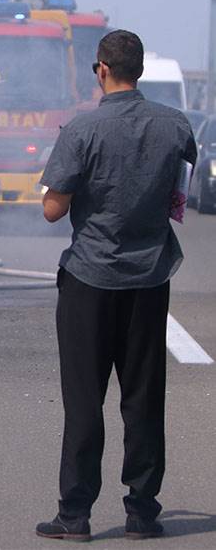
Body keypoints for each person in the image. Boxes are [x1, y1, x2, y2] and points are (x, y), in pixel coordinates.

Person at [35, 30, 196, 542]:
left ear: (101, 69)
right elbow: (179, 201)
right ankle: (142, 513)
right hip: (149, 280)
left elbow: (52, 209)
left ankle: (75, 515)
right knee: (144, 399)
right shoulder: (176, 126)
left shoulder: (82, 129)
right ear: (140, 70)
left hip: (90, 279)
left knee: (85, 399)